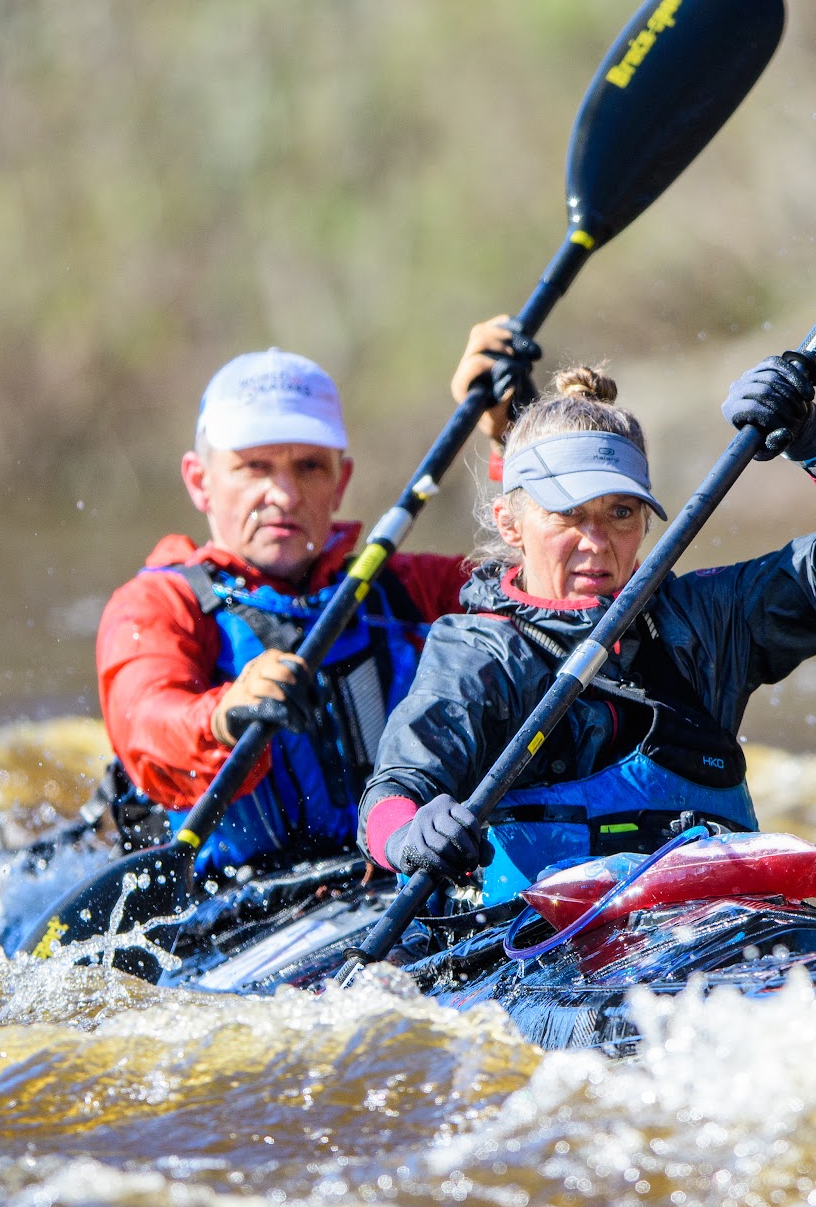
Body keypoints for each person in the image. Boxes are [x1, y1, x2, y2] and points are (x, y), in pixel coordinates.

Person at [358, 355, 816, 905]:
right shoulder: (476, 654)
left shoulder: (706, 618)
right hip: (538, 951)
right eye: (568, 515)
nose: (597, 543)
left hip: (713, 929)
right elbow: (391, 798)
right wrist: (412, 837)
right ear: (511, 523)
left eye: (621, 513)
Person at [93, 318, 525, 879]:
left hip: (404, 873)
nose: (285, 494)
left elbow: (557, 591)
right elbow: (147, 721)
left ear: (340, 482)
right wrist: (223, 715)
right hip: (234, 905)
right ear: (199, 481)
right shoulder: (155, 607)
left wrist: (512, 439)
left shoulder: (408, 589)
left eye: (308, 467)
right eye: (254, 467)